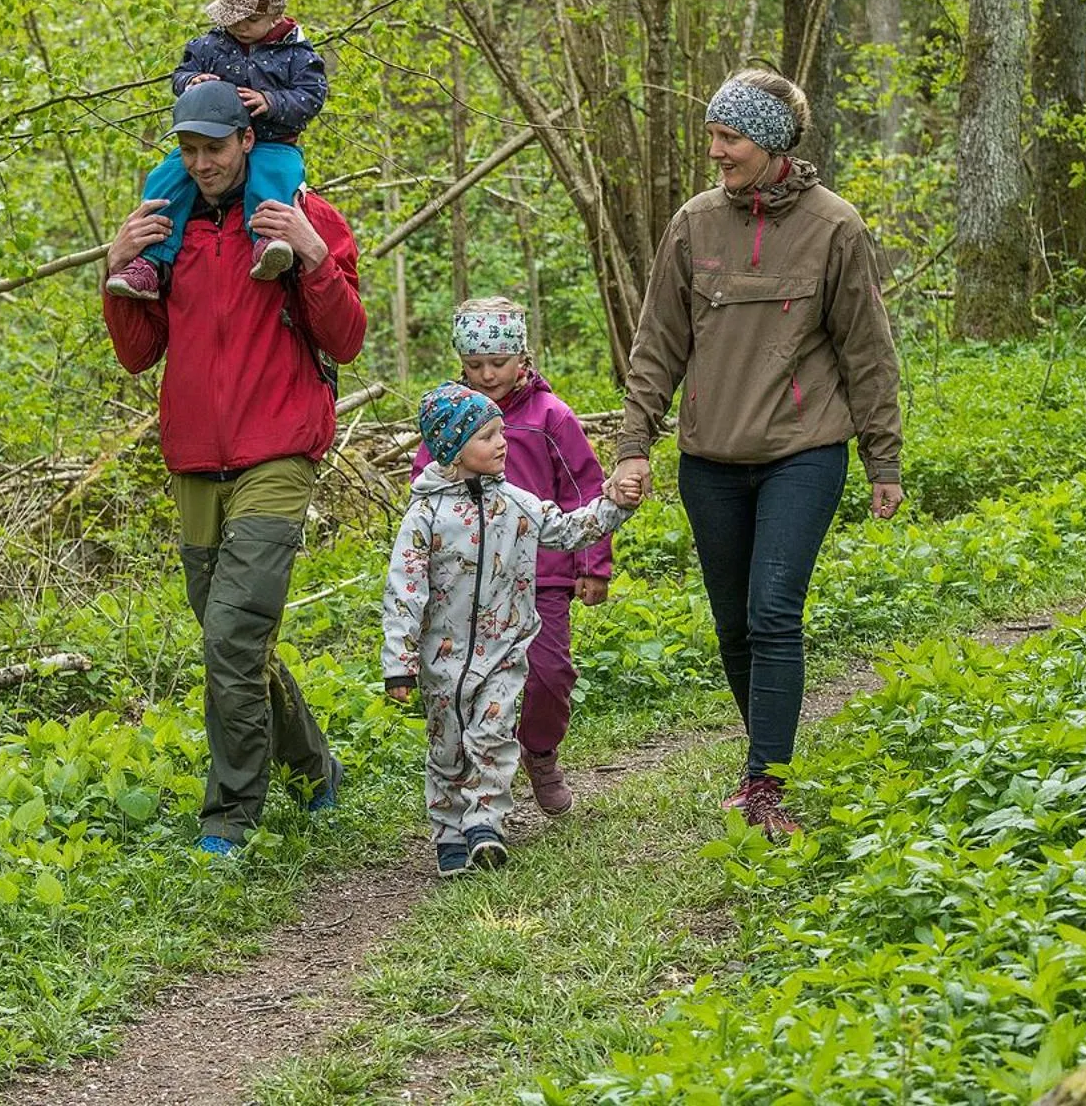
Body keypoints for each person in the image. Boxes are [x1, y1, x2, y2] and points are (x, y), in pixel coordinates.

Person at [613, 68, 905, 839]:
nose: (714, 151)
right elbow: (657, 345)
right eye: (711, 135)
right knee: (734, 625)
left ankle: (766, 781)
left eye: (728, 136)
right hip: (711, 457)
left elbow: (868, 352)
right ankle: (765, 755)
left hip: (801, 452)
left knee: (774, 611)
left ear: (770, 143)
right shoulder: (693, 225)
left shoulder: (835, 228)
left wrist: (885, 458)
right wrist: (634, 441)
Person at [101, 78, 366, 857]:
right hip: (193, 456)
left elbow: (346, 339)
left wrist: (315, 260)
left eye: (213, 148)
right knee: (235, 640)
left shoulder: (299, 215)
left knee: (231, 633)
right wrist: (112, 269)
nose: (201, 162)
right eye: (188, 150)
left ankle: (231, 814)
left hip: (279, 448)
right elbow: (137, 353)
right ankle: (316, 767)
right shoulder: (169, 224)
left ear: (247, 141)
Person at [382, 383, 640, 879]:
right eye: (488, 436)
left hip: (504, 647)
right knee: (448, 748)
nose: (503, 443)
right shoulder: (425, 516)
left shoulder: (518, 502)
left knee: (494, 736)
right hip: (442, 660)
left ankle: (485, 826)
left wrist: (615, 505)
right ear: (454, 450)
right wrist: (400, 661)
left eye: (502, 432)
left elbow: (569, 528)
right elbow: (404, 590)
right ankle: (450, 835)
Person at [409, 297, 612, 817]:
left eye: (497, 363)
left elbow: (582, 490)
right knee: (469, 688)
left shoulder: (550, 417)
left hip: (541, 575)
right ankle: (471, 787)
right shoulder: (452, 420)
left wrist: (592, 564)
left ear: (522, 357)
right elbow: (424, 488)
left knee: (550, 675)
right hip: (468, 586)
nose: (487, 374)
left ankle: (539, 751)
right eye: (475, 365)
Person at [106, 0, 329, 299]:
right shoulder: (212, 44)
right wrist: (190, 82)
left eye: (249, 21)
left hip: (272, 141)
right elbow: (181, 72)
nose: (239, 26)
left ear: (275, 14)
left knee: (277, 177)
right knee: (166, 177)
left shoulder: (297, 54)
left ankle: (268, 243)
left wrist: (271, 102)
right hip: (214, 140)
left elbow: (312, 97)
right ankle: (150, 261)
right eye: (233, 18)